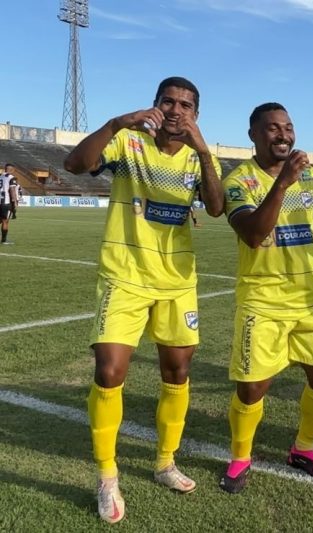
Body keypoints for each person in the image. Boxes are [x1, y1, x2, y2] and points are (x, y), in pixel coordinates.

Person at [63, 76, 224, 524]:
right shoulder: (128, 142)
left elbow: (215, 208)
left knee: (178, 371)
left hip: (177, 282)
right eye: (168, 102)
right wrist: (117, 122)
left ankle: (165, 461)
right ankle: (107, 476)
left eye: (186, 105)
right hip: (124, 275)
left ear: (196, 114)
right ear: (154, 105)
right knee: (109, 370)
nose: (176, 110)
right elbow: (75, 163)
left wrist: (206, 152)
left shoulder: (197, 157)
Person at [218, 102, 313, 493]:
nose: (284, 135)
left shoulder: (311, 177)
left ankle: (303, 448)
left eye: (288, 127)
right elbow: (252, 234)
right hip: (262, 300)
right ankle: (240, 457)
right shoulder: (239, 181)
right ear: (253, 134)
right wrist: (282, 182)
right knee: (252, 387)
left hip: (309, 299)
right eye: (273, 129)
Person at [0, 163, 18, 243]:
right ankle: (4, 240)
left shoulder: (0, 176)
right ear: (11, 170)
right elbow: (12, 190)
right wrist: (14, 201)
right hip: (5, 202)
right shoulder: (11, 178)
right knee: (5, 221)